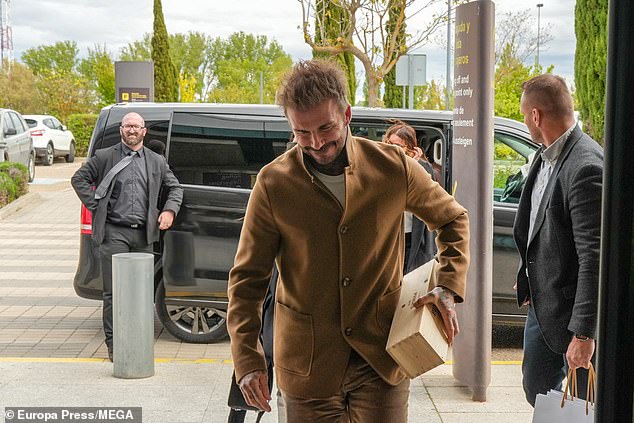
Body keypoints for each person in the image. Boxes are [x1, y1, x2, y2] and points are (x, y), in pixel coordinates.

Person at [227, 59, 470, 422]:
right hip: (306, 367)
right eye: (302, 133)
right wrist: (247, 360)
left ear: (347, 113)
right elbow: (247, 281)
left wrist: (448, 286)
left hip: (381, 358)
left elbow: (453, 218)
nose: (317, 143)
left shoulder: (393, 166)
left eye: (326, 128)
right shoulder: (272, 183)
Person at [513, 74, 603, 406]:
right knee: (536, 388)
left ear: (536, 115)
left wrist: (583, 334)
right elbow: (538, 225)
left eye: (525, 116)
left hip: (571, 316)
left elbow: (594, 258)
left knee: (578, 403)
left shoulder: (586, 167)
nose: (525, 123)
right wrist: (528, 275)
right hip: (541, 304)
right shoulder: (544, 154)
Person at [71, 112, 183, 362]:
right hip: (114, 233)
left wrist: (169, 210)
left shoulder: (156, 161)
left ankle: (137, 339)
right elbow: (78, 179)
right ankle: (113, 344)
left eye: (136, 126)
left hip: (144, 235)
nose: (132, 130)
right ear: (122, 130)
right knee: (113, 292)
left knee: (141, 292)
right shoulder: (105, 157)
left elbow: (175, 188)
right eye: (128, 125)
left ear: (144, 131)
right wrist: (96, 206)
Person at [384, 121, 438, 273]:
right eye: (389, 143)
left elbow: (425, 199)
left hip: (411, 236)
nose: (392, 149)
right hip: (390, 235)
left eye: (397, 145)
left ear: (410, 147)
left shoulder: (423, 168)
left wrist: (413, 166)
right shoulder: (383, 165)